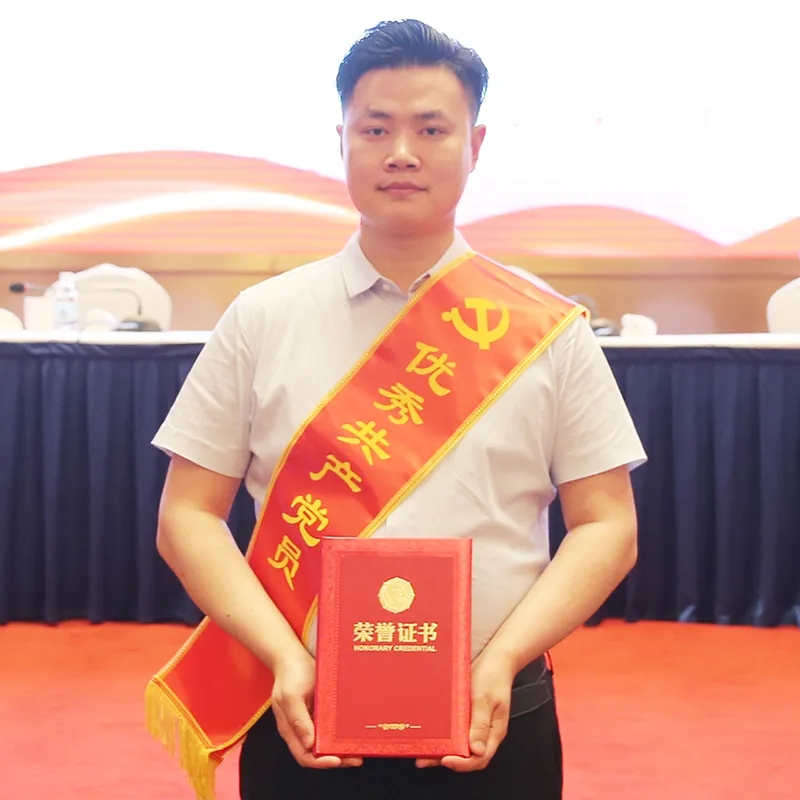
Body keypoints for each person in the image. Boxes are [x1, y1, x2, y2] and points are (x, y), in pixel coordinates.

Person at [151, 18, 647, 800]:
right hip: (302, 715)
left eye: (432, 129)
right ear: (342, 139)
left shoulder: (547, 328)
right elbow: (187, 514)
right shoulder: (262, 318)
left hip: (494, 716)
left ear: (475, 145)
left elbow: (608, 524)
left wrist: (502, 658)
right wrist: (282, 656)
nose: (402, 152)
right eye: (376, 128)